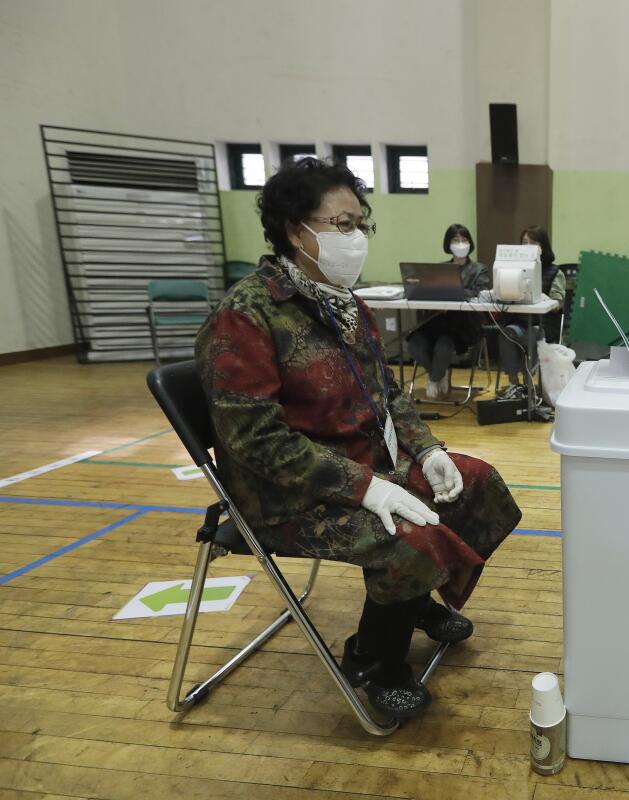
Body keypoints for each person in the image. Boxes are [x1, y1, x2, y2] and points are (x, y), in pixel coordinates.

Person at [195, 158, 521, 719]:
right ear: (297, 231)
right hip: (288, 494)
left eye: (360, 224)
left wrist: (428, 448)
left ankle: (413, 599)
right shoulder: (247, 315)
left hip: (367, 464)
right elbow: (255, 440)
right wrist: (367, 487)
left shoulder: (347, 307)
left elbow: (390, 393)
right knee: (406, 536)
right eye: (341, 225)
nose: (355, 237)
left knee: (474, 483)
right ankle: (375, 659)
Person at [407, 224, 491, 400]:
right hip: (436, 322)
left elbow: (480, 292)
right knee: (415, 344)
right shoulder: (439, 269)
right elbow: (429, 291)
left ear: (470, 243)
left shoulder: (479, 270)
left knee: (443, 346)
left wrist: (451, 295)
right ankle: (438, 372)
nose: (460, 243)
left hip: (463, 325)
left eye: (464, 239)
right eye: (455, 240)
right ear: (448, 244)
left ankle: (434, 379)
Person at [497, 225, 567, 400]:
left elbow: (558, 301)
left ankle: (529, 383)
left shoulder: (555, 272)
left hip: (544, 324)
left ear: (542, 247)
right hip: (519, 321)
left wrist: (546, 299)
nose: (527, 246)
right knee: (506, 334)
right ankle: (514, 383)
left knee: (532, 334)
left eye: (533, 243)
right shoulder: (512, 271)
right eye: (524, 242)